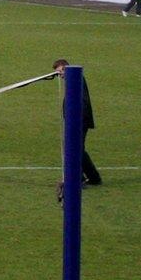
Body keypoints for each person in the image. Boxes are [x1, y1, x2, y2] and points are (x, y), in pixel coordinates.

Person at [51, 59, 101, 197]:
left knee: (74, 149)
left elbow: (82, 102)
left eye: (60, 71)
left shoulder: (76, 79)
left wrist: (75, 120)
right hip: (78, 120)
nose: (59, 75)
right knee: (78, 149)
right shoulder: (73, 80)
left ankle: (79, 179)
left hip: (79, 121)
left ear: (66, 68)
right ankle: (94, 178)